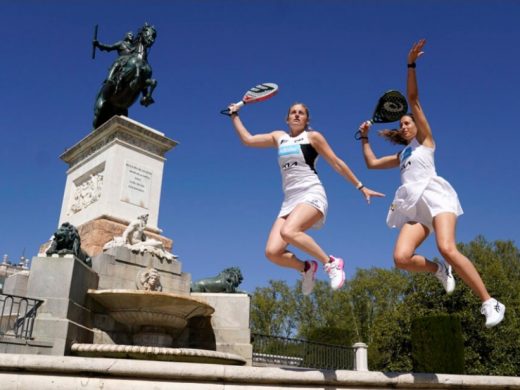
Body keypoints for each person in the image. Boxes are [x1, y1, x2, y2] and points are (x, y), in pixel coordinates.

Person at [357, 39, 505, 328]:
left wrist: (410, 64)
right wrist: (363, 138)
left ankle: (489, 301)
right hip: (414, 207)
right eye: (400, 125)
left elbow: (413, 99)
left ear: (416, 125)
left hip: (437, 198)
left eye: (407, 123)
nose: (403, 126)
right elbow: (371, 164)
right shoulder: (402, 154)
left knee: (448, 246)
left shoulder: (425, 142)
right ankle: (439, 269)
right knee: (401, 258)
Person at [228, 102, 384, 295]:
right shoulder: (279, 137)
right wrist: (234, 115)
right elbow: (248, 140)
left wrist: (360, 186)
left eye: (301, 113)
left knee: (289, 231)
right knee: (272, 252)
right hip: (289, 200)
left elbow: (336, 162)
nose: (296, 115)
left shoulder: (313, 137)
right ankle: (305, 268)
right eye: (292, 112)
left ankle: (332, 263)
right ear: (287, 119)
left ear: (306, 120)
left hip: (311, 192)